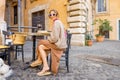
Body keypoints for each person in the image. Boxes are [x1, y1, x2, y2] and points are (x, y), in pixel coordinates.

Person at [30, 9, 67, 76]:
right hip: (61, 44)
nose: (52, 16)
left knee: (40, 42)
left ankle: (39, 60)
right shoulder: (59, 22)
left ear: (57, 15)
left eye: (54, 14)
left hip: (58, 45)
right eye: (50, 15)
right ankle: (45, 66)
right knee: (41, 47)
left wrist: (49, 38)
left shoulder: (56, 23)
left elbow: (54, 38)